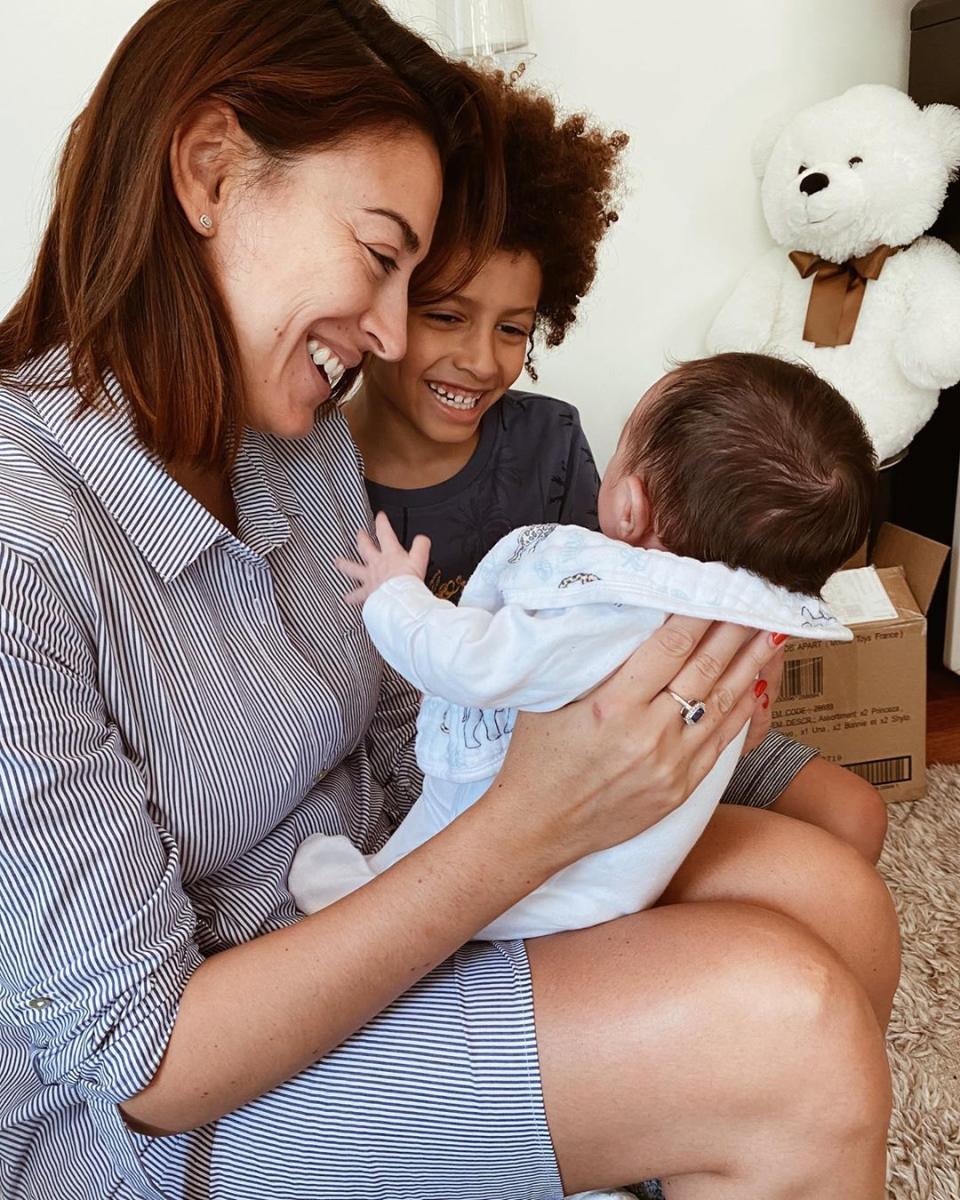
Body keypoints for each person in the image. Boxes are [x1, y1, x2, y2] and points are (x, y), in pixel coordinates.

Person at [0, 4, 897, 1199]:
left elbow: (393, 736)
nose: (384, 332)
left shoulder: (291, 439)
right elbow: (145, 1065)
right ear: (211, 169)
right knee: (791, 1036)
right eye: (382, 258)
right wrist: (534, 825)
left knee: (834, 899)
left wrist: (649, 711)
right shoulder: (27, 542)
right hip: (154, 1118)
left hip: (372, 894)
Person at [346, 73, 889, 864]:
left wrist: (721, 705)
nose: (478, 359)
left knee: (854, 817)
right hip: (485, 752)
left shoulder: (550, 439)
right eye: (445, 317)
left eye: (514, 328)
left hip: (641, 709)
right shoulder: (325, 471)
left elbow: (626, 595)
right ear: (384, 299)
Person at [291, 352, 874, 937]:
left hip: (524, 880)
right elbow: (738, 738)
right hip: (621, 878)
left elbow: (473, 662)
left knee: (388, 880)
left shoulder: (608, 606)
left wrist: (397, 597)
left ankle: (361, 895)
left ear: (629, 506)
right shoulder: (744, 626)